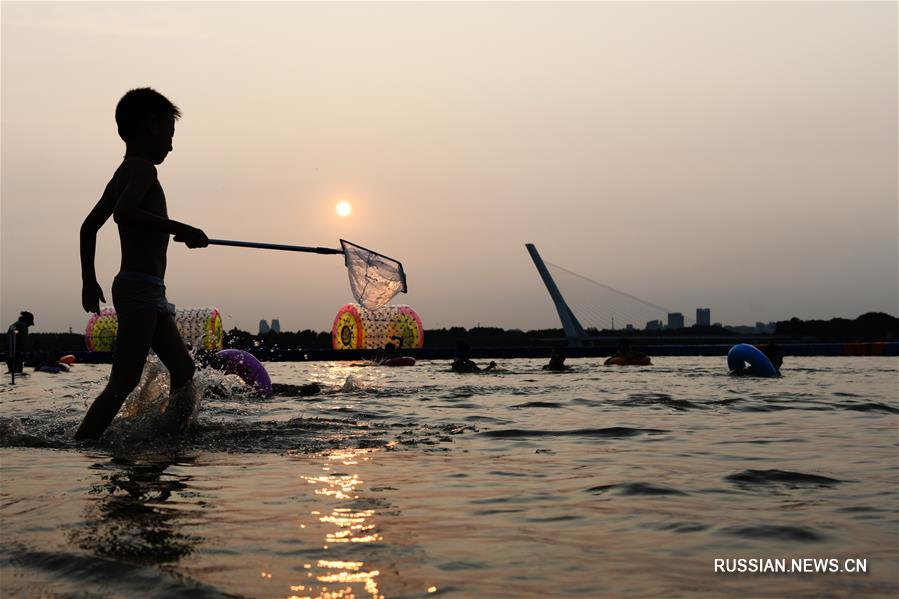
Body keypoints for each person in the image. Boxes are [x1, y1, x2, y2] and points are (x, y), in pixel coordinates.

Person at [74, 88, 208, 441]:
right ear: (150, 127)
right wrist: (184, 229)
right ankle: (82, 443)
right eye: (169, 134)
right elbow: (125, 213)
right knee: (124, 381)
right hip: (138, 288)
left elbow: (89, 227)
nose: (171, 145)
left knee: (183, 368)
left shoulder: (124, 171)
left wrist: (89, 281)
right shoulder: (142, 169)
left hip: (147, 288)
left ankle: (171, 434)